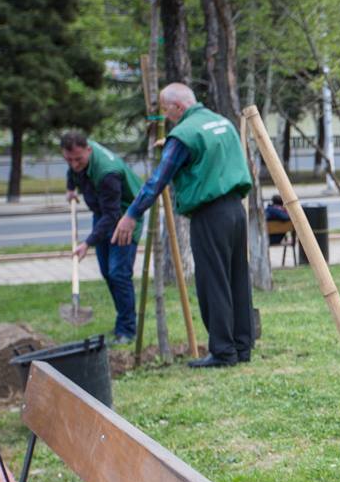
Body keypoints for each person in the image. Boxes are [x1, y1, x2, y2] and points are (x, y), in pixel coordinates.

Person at [112, 83, 254, 368]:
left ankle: (223, 352)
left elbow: (158, 180)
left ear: (178, 107)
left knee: (213, 282)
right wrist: (172, 146)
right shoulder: (221, 122)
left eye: (166, 110)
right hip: (236, 210)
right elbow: (209, 155)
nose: (166, 117)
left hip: (209, 214)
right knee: (237, 278)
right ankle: (242, 346)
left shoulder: (183, 135)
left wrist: (132, 214)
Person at [61, 132, 143, 346]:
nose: (74, 164)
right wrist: (70, 188)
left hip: (125, 216)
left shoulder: (108, 173)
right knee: (107, 272)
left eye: (78, 159)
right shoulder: (77, 158)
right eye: (69, 160)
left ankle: (127, 330)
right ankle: (121, 323)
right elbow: (73, 171)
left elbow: (112, 215)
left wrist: (87, 243)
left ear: (88, 150)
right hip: (104, 213)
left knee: (118, 273)